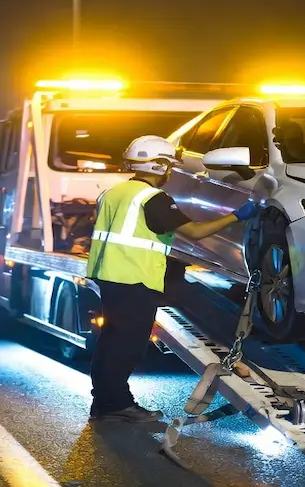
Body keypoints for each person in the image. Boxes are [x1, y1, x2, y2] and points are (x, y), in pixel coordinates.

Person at [86, 134, 260, 422]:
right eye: (168, 166)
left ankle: (104, 403)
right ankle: (116, 405)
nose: (170, 172)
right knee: (127, 345)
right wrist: (238, 216)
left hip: (110, 276)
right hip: (135, 279)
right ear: (158, 165)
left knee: (111, 341)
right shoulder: (152, 199)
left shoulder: (113, 193)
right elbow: (194, 232)